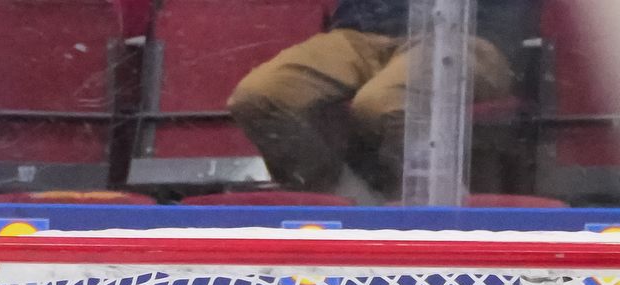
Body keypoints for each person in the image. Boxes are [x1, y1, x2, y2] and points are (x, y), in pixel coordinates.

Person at [226, 0, 531, 200]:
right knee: (260, 94)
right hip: (360, 33)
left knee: (383, 102)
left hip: (466, 33)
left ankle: (436, 213)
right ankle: (346, 204)